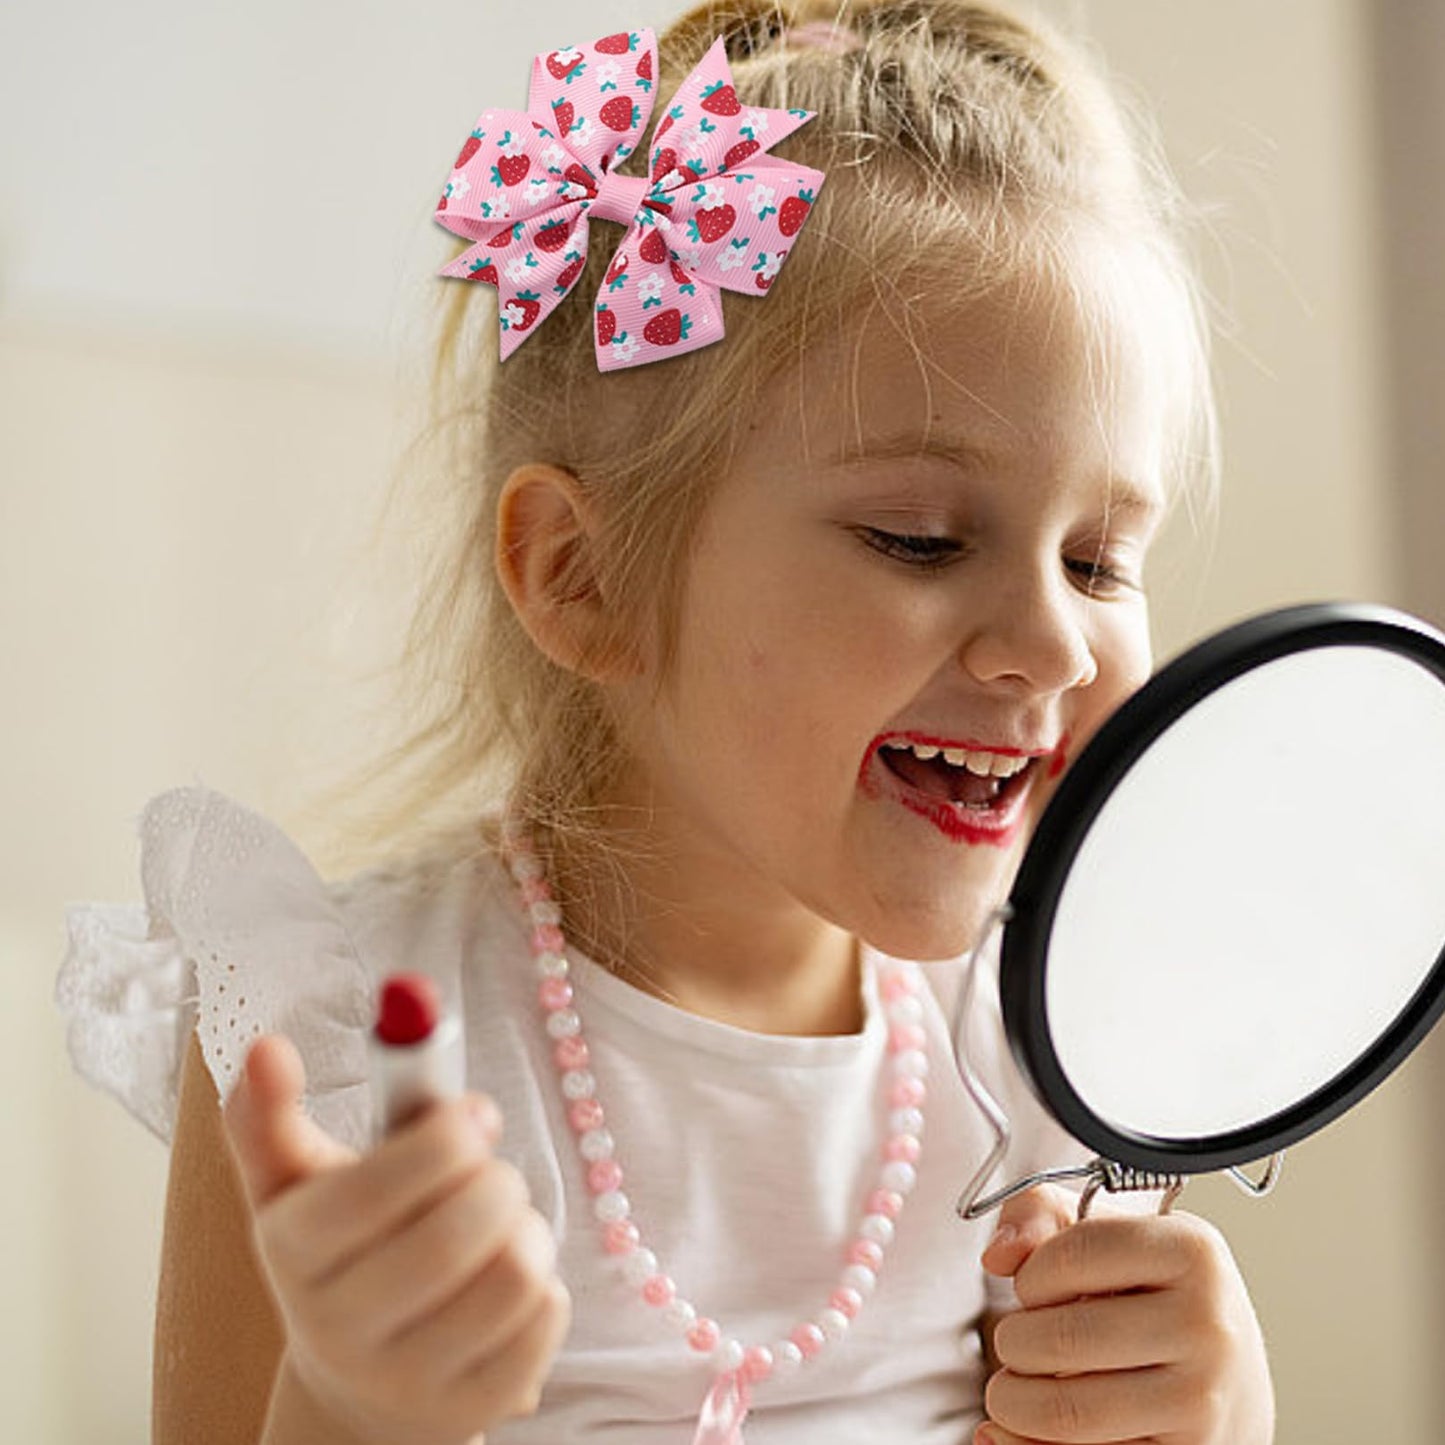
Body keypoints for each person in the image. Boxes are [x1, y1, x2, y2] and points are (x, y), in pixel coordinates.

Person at [55, 2, 1276, 1443]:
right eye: (919, 537)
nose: (1048, 644)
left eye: (1097, 560)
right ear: (586, 579)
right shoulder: (332, 1038)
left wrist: (1215, 1412)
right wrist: (341, 1399)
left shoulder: (1045, 1056)